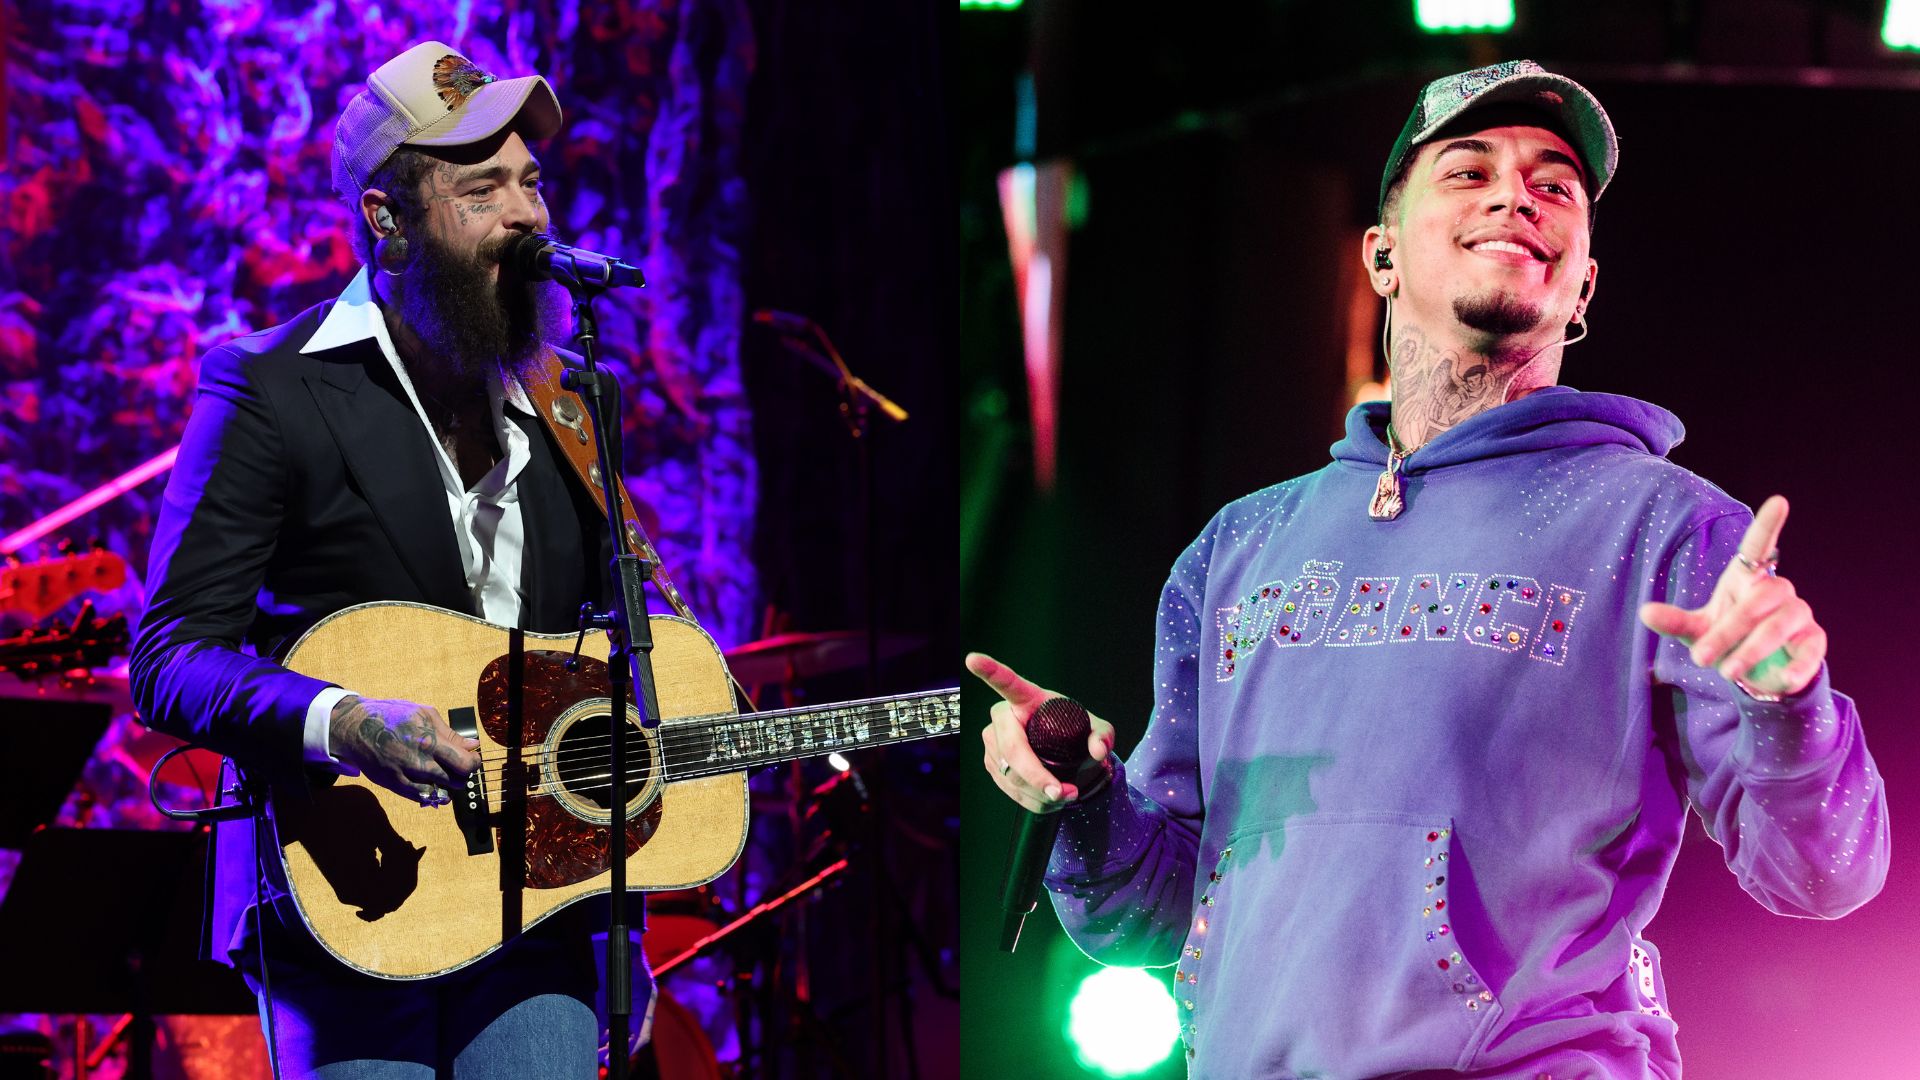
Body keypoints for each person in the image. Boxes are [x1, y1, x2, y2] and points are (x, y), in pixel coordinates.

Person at [971, 60, 1887, 1079]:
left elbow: (1825, 876)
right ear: (1382, 256)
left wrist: (1790, 704)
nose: (1515, 195)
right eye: (1467, 170)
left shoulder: (1667, 529)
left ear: (1582, 280)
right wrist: (1085, 800)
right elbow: (1150, 916)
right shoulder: (1237, 549)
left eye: (1555, 184)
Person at [131, 41, 643, 1076]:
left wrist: (621, 886)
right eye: (484, 186)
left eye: (532, 182)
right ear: (387, 218)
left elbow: (608, 646)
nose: (529, 215)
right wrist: (348, 724)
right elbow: (173, 654)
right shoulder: (267, 388)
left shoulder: (574, 403)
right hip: (347, 884)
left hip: (538, 903)